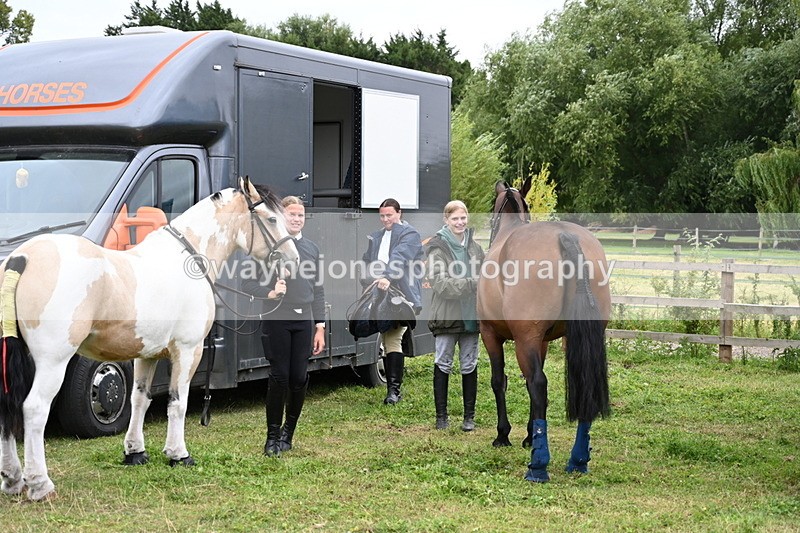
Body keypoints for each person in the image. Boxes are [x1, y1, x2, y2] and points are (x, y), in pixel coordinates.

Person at [243, 193, 326, 457]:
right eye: (292, 214)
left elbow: (318, 290)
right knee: (279, 376)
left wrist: (320, 326)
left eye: (301, 215)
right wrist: (270, 292)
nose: (297, 219)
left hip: (304, 321)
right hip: (277, 319)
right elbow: (247, 283)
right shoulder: (267, 248)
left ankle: (288, 434)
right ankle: (271, 438)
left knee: (299, 378)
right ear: (282, 217)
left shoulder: (312, 249)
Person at [425, 200, 484, 431]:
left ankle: (469, 417)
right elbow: (440, 284)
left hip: (471, 316)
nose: (460, 222)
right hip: (447, 316)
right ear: (446, 220)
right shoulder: (437, 248)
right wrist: (473, 283)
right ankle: (442, 417)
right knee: (443, 363)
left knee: (469, 364)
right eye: (455, 218)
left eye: (463, 218)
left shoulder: (475, 248)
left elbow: (488, 275)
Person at [361, 198, 424, 405]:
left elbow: (400, 256)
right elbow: (368, 260)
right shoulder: (377, 236)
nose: (386, 219)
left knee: (393, 338)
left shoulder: (410, 234)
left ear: (399, 213)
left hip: (401, 294)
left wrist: (387, 276)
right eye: (382, 215)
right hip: (379, 293)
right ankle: (393, 389)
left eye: (389, 215)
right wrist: (367, 276)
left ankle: (393, 391)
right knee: (387, 339)